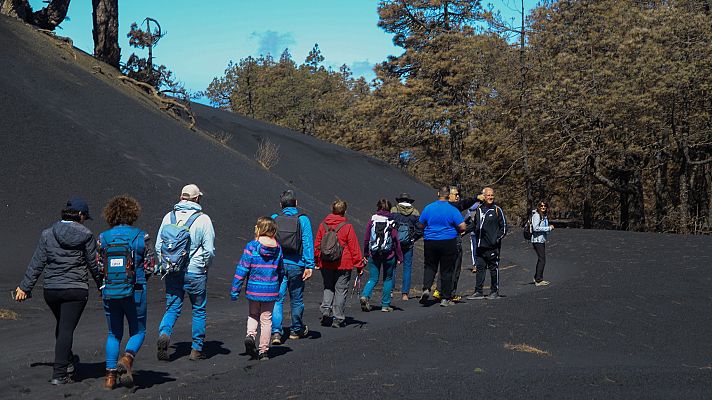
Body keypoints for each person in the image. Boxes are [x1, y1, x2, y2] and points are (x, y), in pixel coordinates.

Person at [14, 197, 102, 385]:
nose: (85, 220)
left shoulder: (48, 234)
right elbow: (94, 264)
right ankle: (60, 373)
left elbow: (37, 262)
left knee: (63, 326)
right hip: (75, 290)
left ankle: (67, 363)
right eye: (85, 216)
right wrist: (102, 286)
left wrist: (24, 287)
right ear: (80, 215)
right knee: (66, 329)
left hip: (52, 290)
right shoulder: (86, 235)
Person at [97, 195, 155, 389]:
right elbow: (150, 265)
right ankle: (128, 358)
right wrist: (140, 280)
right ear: (133, 213)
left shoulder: (103, 238)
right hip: (136, 291)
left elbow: (99, 266)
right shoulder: (141, 236)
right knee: (138, 331)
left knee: (114, 333)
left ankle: (110, 378)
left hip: (110, 291)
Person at [155, 184, 215, 361]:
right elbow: (209, 250)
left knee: (172, 307)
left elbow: (159, 245)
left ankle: (165, 333)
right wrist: (205, 266)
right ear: (197, 199)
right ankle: (196, 349)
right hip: (195, 271)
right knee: (198, 309)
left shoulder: (169, 217)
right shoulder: (203, 219)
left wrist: (166, 263)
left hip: (172, 270)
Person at [231, 217, 284, 361]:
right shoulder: (278, 248)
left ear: (259, 229)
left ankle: (250, 336)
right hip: (271, 289)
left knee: (253, 314)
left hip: (254, 288)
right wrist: (278, 286)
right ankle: (263, 351)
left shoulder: (252, 246)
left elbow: (242, 268)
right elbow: (281, 270)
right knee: (266, 320)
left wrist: (235, 289)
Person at [270, 190, 314, 345]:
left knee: (277, 298)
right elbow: (308, 243)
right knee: (296, 298)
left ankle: (276, 332)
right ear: (296, 203)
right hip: (297, 265)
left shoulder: (275, 219)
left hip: (278, 264)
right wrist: (310, 265)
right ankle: (295, 330)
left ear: (281, 204)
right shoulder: (303, 220)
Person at [314, 200, 363, 327]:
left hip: (326, 262)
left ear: (332, 209)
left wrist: (317, 260)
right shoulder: (347, 227)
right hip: (343, 263)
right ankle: (338, 317)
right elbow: (354, 247)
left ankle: (325, 310)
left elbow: (317, 245)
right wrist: (359, 265)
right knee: (340, 290)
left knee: (328, 287)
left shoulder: (323, 225)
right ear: (345, 211)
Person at [418, 186, 467, 307]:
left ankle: (426, 288)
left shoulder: (429, 208)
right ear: (448, 195)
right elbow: (463, 226)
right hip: (448, 241)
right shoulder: (452, 209)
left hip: (430, 241)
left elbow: (420, 224)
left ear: (438, 194)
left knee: (430, 266)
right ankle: (445, 298)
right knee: (447, 270)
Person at [360, 199, 403, 312]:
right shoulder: (391, 220)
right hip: (389, 255)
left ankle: (365, 295)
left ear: (378, 208)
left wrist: (365, 253)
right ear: (389, 208)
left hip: (374, 254)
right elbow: (395, 240)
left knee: (373, 278)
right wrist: (399, 256)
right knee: (388, 279)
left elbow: (366, 238)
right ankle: (385, 305)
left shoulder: (372, 220)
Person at [467, 187, 507, 300]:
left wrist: (496, 239)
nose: (490, 197)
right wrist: (463, 231)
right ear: (483, 196)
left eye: (492, 195)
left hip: (492, 246)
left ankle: (494, 291)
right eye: (488, 195)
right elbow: (474, 225)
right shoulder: (479, 209)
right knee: (480, 268)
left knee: (493, 268)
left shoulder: (497, 210)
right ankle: (478, 291)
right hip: (480, 246)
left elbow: (504, 228)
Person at [390, 193, 422, 301]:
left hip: (395, 243)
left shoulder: (394, 210)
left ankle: (390, 291)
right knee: (407, 268)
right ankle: (405, 294)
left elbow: (389, 225)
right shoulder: (415, 212)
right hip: (408, 243)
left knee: (392, 266)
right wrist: (413, 239)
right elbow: (420, 229)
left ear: (399, 200)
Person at [531, 201, 554, 286]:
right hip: (537, 240)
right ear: (538, 206)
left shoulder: (544, 215)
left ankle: (537, 277)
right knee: (542, 259)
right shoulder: (537, 215)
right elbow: (535, 228)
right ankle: (538, 280)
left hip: (541, 240)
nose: (543, 207)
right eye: (541, 206)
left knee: (541, 259)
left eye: (545, 205)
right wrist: (548, 228)